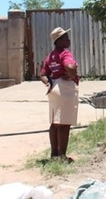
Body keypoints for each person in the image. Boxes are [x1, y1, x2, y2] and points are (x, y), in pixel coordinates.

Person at [40, 27, 79, 163]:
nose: (68, 40)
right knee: (64, 124)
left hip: (54, 88)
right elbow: (69, 67)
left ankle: (54, 154)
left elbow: (43, 74)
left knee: (55, 123)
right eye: (66, 38)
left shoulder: (51, 56)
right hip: (65, 89)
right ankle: (62, 157)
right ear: (59, 41)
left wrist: (49, 83)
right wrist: (72, 74)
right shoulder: (65, 53)